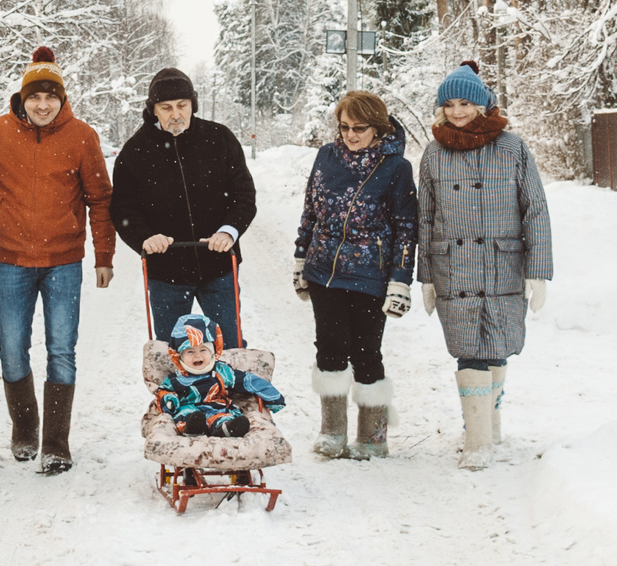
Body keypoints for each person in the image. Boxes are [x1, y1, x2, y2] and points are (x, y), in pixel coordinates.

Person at [0, 45, 116, 475]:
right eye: (35, 97)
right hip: (13, 260)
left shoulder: (82, 136)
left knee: (62, 349)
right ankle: (25, 427)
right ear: (22, 99)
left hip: (64, 261)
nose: (42, 105)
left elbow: (100, 199)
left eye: (50, 97)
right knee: (11, 347)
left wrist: (103, 255)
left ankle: (56, 443)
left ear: (62, 99)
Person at [415, 62, 553, 470]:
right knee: (467, 349)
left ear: (482, 105)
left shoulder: (511, 148)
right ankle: (476, 441)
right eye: (449, 105)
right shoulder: (434, 153)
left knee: (496, 344)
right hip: (453, 266)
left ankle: (490, 426)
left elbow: (535, 209)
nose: (457, 112)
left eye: (465, 103)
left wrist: (538, 270)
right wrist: (426, 276)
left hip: (502, 263)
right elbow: (425, 217)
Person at [292, 89, 418, 461]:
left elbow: (406, 229)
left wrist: (400, 280)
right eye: (345, 126)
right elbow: (310, 211)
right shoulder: (326, 157)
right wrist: (301, 258)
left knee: (366, 352)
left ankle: (373, 436)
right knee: (329, 348)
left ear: (377, 128)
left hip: (370, 275)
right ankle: (332, 432)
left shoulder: (396, 168)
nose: (350, 134)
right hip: (324, 272)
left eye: (359, 128)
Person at [110, 66, 258, 353]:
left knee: (229, 348)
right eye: (166, 107)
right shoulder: (134, 152)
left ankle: (232, 383)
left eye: (182, 105)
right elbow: (123, 210)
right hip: (166, 272)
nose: (175, 114)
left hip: (219, 266)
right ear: (153, 110)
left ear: (193, 105)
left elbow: (244, 195)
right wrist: (145, 238)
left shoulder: (220, 138)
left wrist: (229, 231)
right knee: (173, 352)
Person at [152, 311, 286, 437]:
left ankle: (225, 429)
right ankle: (192, 430)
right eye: (190, 352)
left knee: (224, 417)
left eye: (203, 350)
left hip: (217, 408)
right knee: (188, 416)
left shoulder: (221, 371)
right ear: (179, 355)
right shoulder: (176, 378)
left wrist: (273, 397)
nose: (197, 356)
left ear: (212, 352)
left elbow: (248, 381)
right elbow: (164, 392)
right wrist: (170, 401)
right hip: (190, 411)